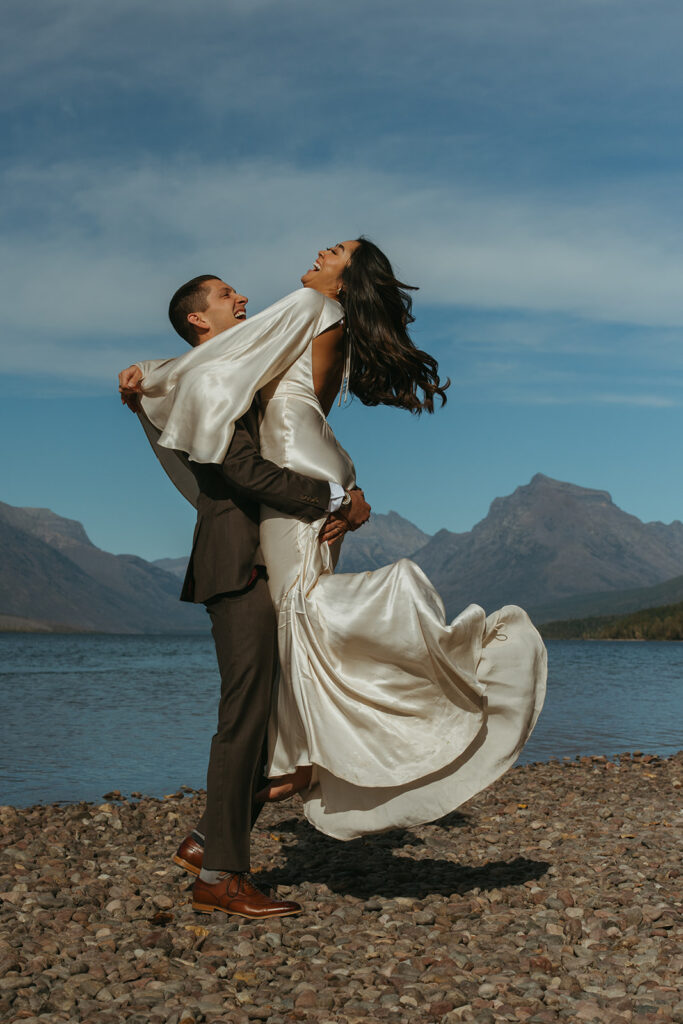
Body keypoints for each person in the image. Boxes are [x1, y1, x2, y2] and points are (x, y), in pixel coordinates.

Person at [129, 236, 546, 848]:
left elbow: (215, 370)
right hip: (316, 466)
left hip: (302, 479)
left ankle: (294, 770)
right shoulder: (329, 322)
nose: (322, 251)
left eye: (337, 251)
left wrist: (149, 376)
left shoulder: (306, 304)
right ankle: (276, 784)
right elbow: (300, 404)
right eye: (225, 293)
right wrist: (339, 488)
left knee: (303, 618)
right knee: (305, 621)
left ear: (346, 277)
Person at [119, 274, 370, 920]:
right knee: (246, 719)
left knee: (280, 712)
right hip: (240, 563)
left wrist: (351, 496)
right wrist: (328, 499)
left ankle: (210, 842)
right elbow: (241, 470)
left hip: (271, 559)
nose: (244, 300)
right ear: (199, 319)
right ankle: (221, 873)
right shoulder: (210, 385)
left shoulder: (235, 371)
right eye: (227, 295)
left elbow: (296, 438)